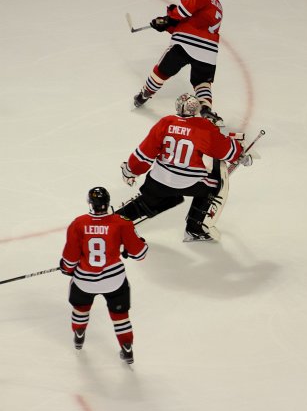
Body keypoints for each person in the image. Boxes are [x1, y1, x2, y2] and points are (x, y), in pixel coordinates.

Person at [117, 93, 252, 242]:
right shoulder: (202, 127)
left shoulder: (165, 122)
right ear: (196, 109)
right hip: (190, 184)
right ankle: (195, 229)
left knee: (148, 199)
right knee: (215, 185)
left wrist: (130, 171)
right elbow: (223, 149)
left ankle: (115, 221)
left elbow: (145, 153)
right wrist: (240, 152)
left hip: (159, 180)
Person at [60, 187, 148, 365]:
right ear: (107, 203)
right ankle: (127, 348)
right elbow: (140, 254)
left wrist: (65, 267)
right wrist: (138, 245)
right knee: (120, 314)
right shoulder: (122, 222)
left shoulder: (79, 223)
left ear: (90, 204)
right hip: (113, 280)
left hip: (85, 280)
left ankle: (79, 334)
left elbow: (70, 260)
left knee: (81, 308)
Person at [132, 0, 226, 126]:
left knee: (161, 71)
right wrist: (167, 25)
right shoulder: (218, 6)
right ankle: (206, 110)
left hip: (185, 43)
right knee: (202, 81)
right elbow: (194, 22)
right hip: (209, 51)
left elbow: (183, 12)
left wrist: (166, 19)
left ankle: (145, 93)